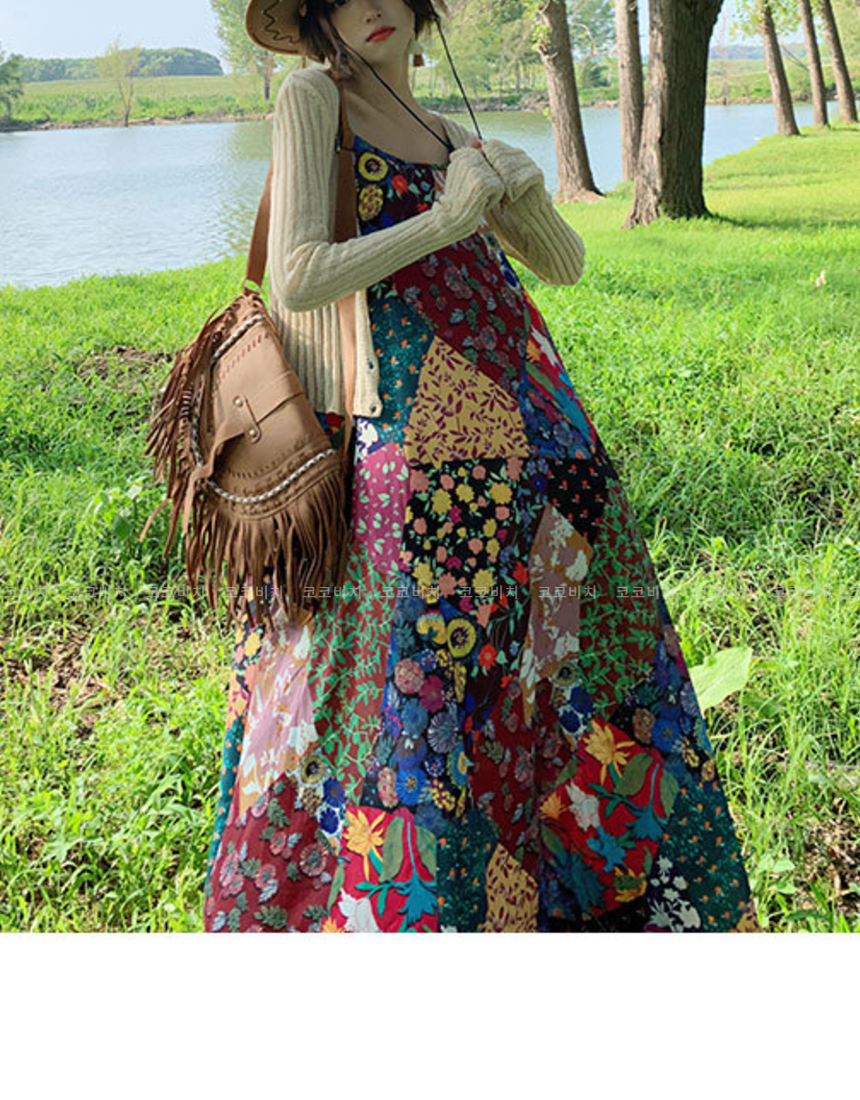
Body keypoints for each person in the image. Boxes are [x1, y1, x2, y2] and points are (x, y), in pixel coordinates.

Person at [203, 0, 761, 932]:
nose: (371, 5)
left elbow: (565, 265)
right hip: (407, 435)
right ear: (315, 13)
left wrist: (524, 197)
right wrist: (450, 216)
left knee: (550, 664)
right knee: (416, 669)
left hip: (537, 438)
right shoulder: (314, 97)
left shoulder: (447, 130)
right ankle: (406, 902)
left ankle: (565, 899)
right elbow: (297, 273)